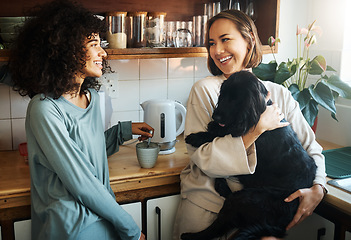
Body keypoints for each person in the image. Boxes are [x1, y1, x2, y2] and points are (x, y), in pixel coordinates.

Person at [173, 10, 327, 240]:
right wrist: (257, 129)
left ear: (249, 40)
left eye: (225, 39)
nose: (217, 50)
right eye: (211, 43)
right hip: (209, 212)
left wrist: (319, 188)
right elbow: (204, 159)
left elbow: (311, 149)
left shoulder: (279, 93)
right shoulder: (205, 89)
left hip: (261, 216)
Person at [9, 1, 152, 239]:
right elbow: (81, 181)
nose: (103, 53)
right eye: (94, 44)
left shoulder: (91, 98)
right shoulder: (44, 109)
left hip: (103, 214)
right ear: (66, 48)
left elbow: (87, 155)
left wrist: (123, 131)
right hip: (71, 226)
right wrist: (131, 229)